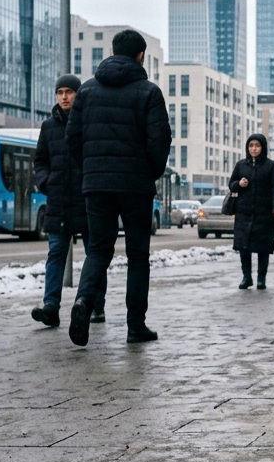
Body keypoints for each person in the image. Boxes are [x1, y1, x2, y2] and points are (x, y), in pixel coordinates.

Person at [65, 29, 171, 347]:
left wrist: (91, 170)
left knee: (98, 249)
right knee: (138, 256)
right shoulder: (149, 92)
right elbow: (160, 141)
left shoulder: (86, 91)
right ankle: (135, 325)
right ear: (141, 56)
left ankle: (84, 301)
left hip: (96, 184)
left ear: (111, 52)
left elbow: (72, 138)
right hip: (136, 186)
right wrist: (150, 172)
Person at [31, 75, 107, 329]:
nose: (64, 96)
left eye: (69, 92)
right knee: (56, 254)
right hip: (59, 201)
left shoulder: (89, 124)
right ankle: (51, 307)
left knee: (93, 254)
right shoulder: (48, 126)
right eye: (60, 92)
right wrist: (46, 182)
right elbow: (40, 160)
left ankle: (95, 305)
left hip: (87, 200)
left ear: (78, 94)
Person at [230, 132, 274, 290]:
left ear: (263, 148)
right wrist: (239, 183)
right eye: (251, 146)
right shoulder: (241, 165)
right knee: (243, 247)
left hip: (264, 214)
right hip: (243, 213)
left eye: (257, 146)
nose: (254, 149)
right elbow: (231, 184)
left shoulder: (271, 166)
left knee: (263, 248)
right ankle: (247, 277)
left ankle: (261, 278)